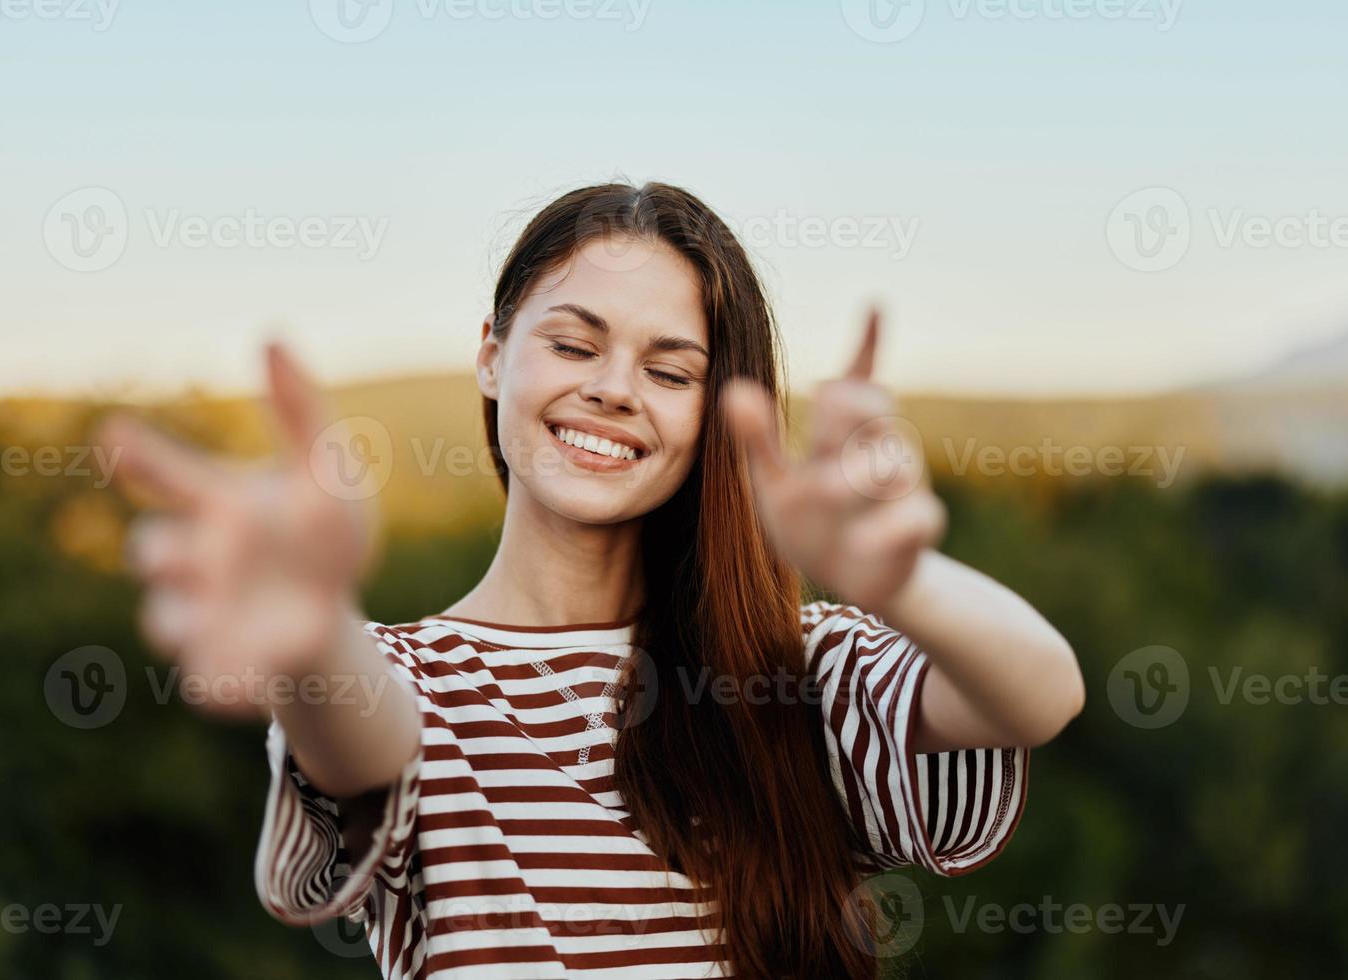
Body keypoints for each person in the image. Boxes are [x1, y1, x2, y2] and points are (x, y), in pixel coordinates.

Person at [97, 182, 1085, 979]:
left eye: (670, 369)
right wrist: (312, 630)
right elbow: (363, 740)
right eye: (572, 344)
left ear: (714, 412)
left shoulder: (796, 665)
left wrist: (902, 581)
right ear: (491, 356)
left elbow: (1038, 691)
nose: (612, 387)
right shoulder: (399, 678)